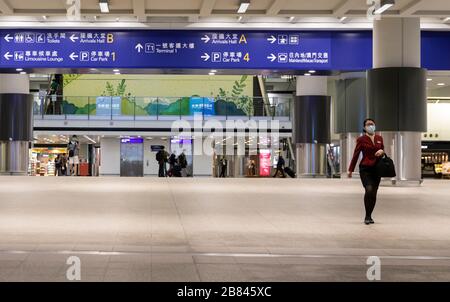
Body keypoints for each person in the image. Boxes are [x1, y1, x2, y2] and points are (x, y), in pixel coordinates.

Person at [348, 118, 385, 225]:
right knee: (369, 189)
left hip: (377, 168)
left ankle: (369, 215)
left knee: (374, 193)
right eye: (368, 124)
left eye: (372, 124)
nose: (370, 126)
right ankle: (367, 216)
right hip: (365, 168)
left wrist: (382, 151)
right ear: (364, 127)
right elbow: (356, 155)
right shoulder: (361, 139)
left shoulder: (379, 138)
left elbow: (382, 150)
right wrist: (351, 169)